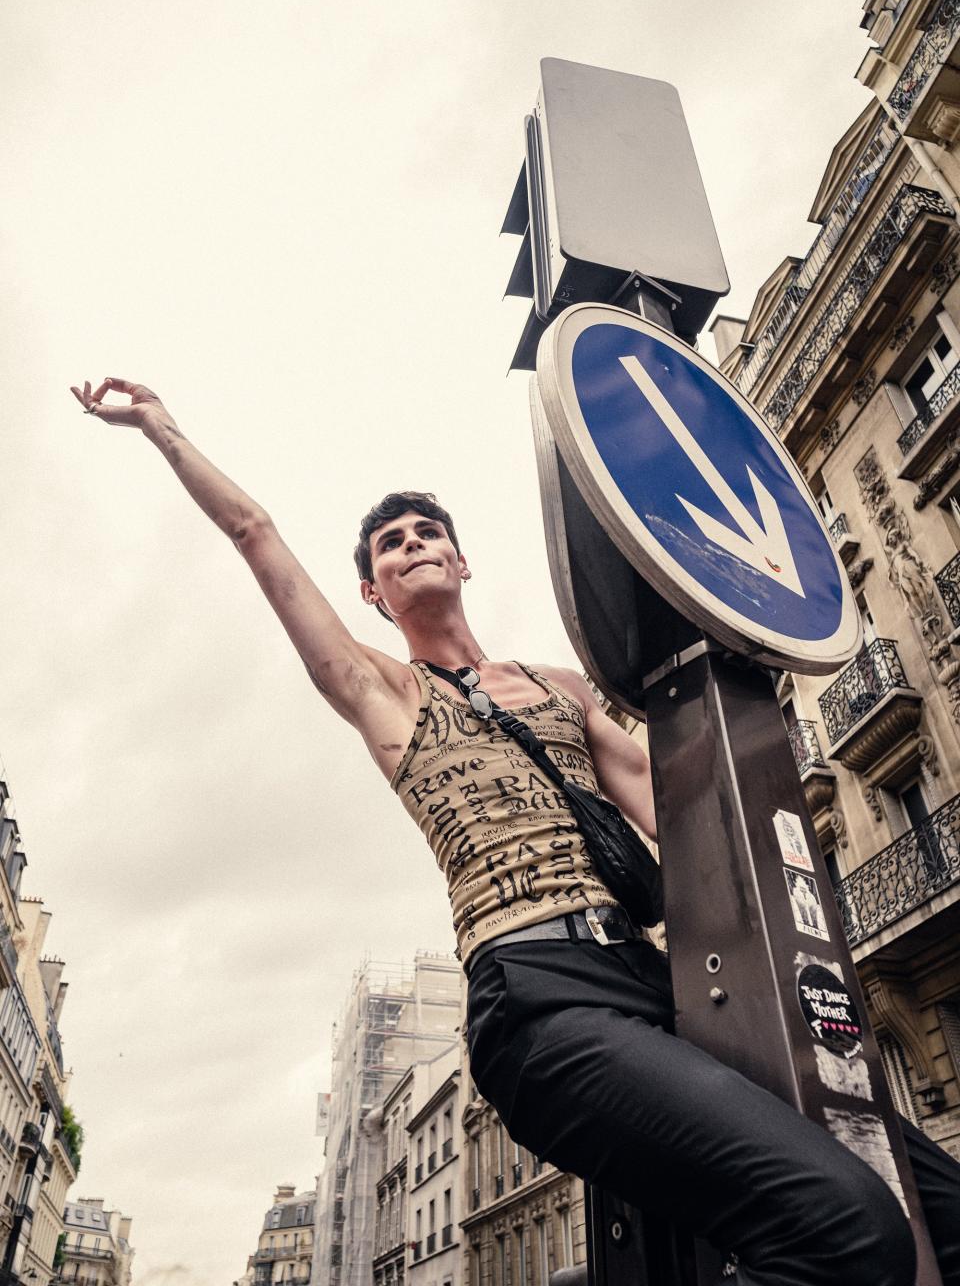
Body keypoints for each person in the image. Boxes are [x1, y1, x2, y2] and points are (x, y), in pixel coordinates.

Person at [72, 377, 960, 1286]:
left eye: (427, 534)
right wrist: (161, 428)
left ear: (462, 562)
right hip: (541, 1005)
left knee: (945, 1212)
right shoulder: (384, 690)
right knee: (850, 1233)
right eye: (390, 544)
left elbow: (677, 816)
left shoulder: (559, 688)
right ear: (375, 592)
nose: (412, 545)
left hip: (660, 983)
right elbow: (255, 534)